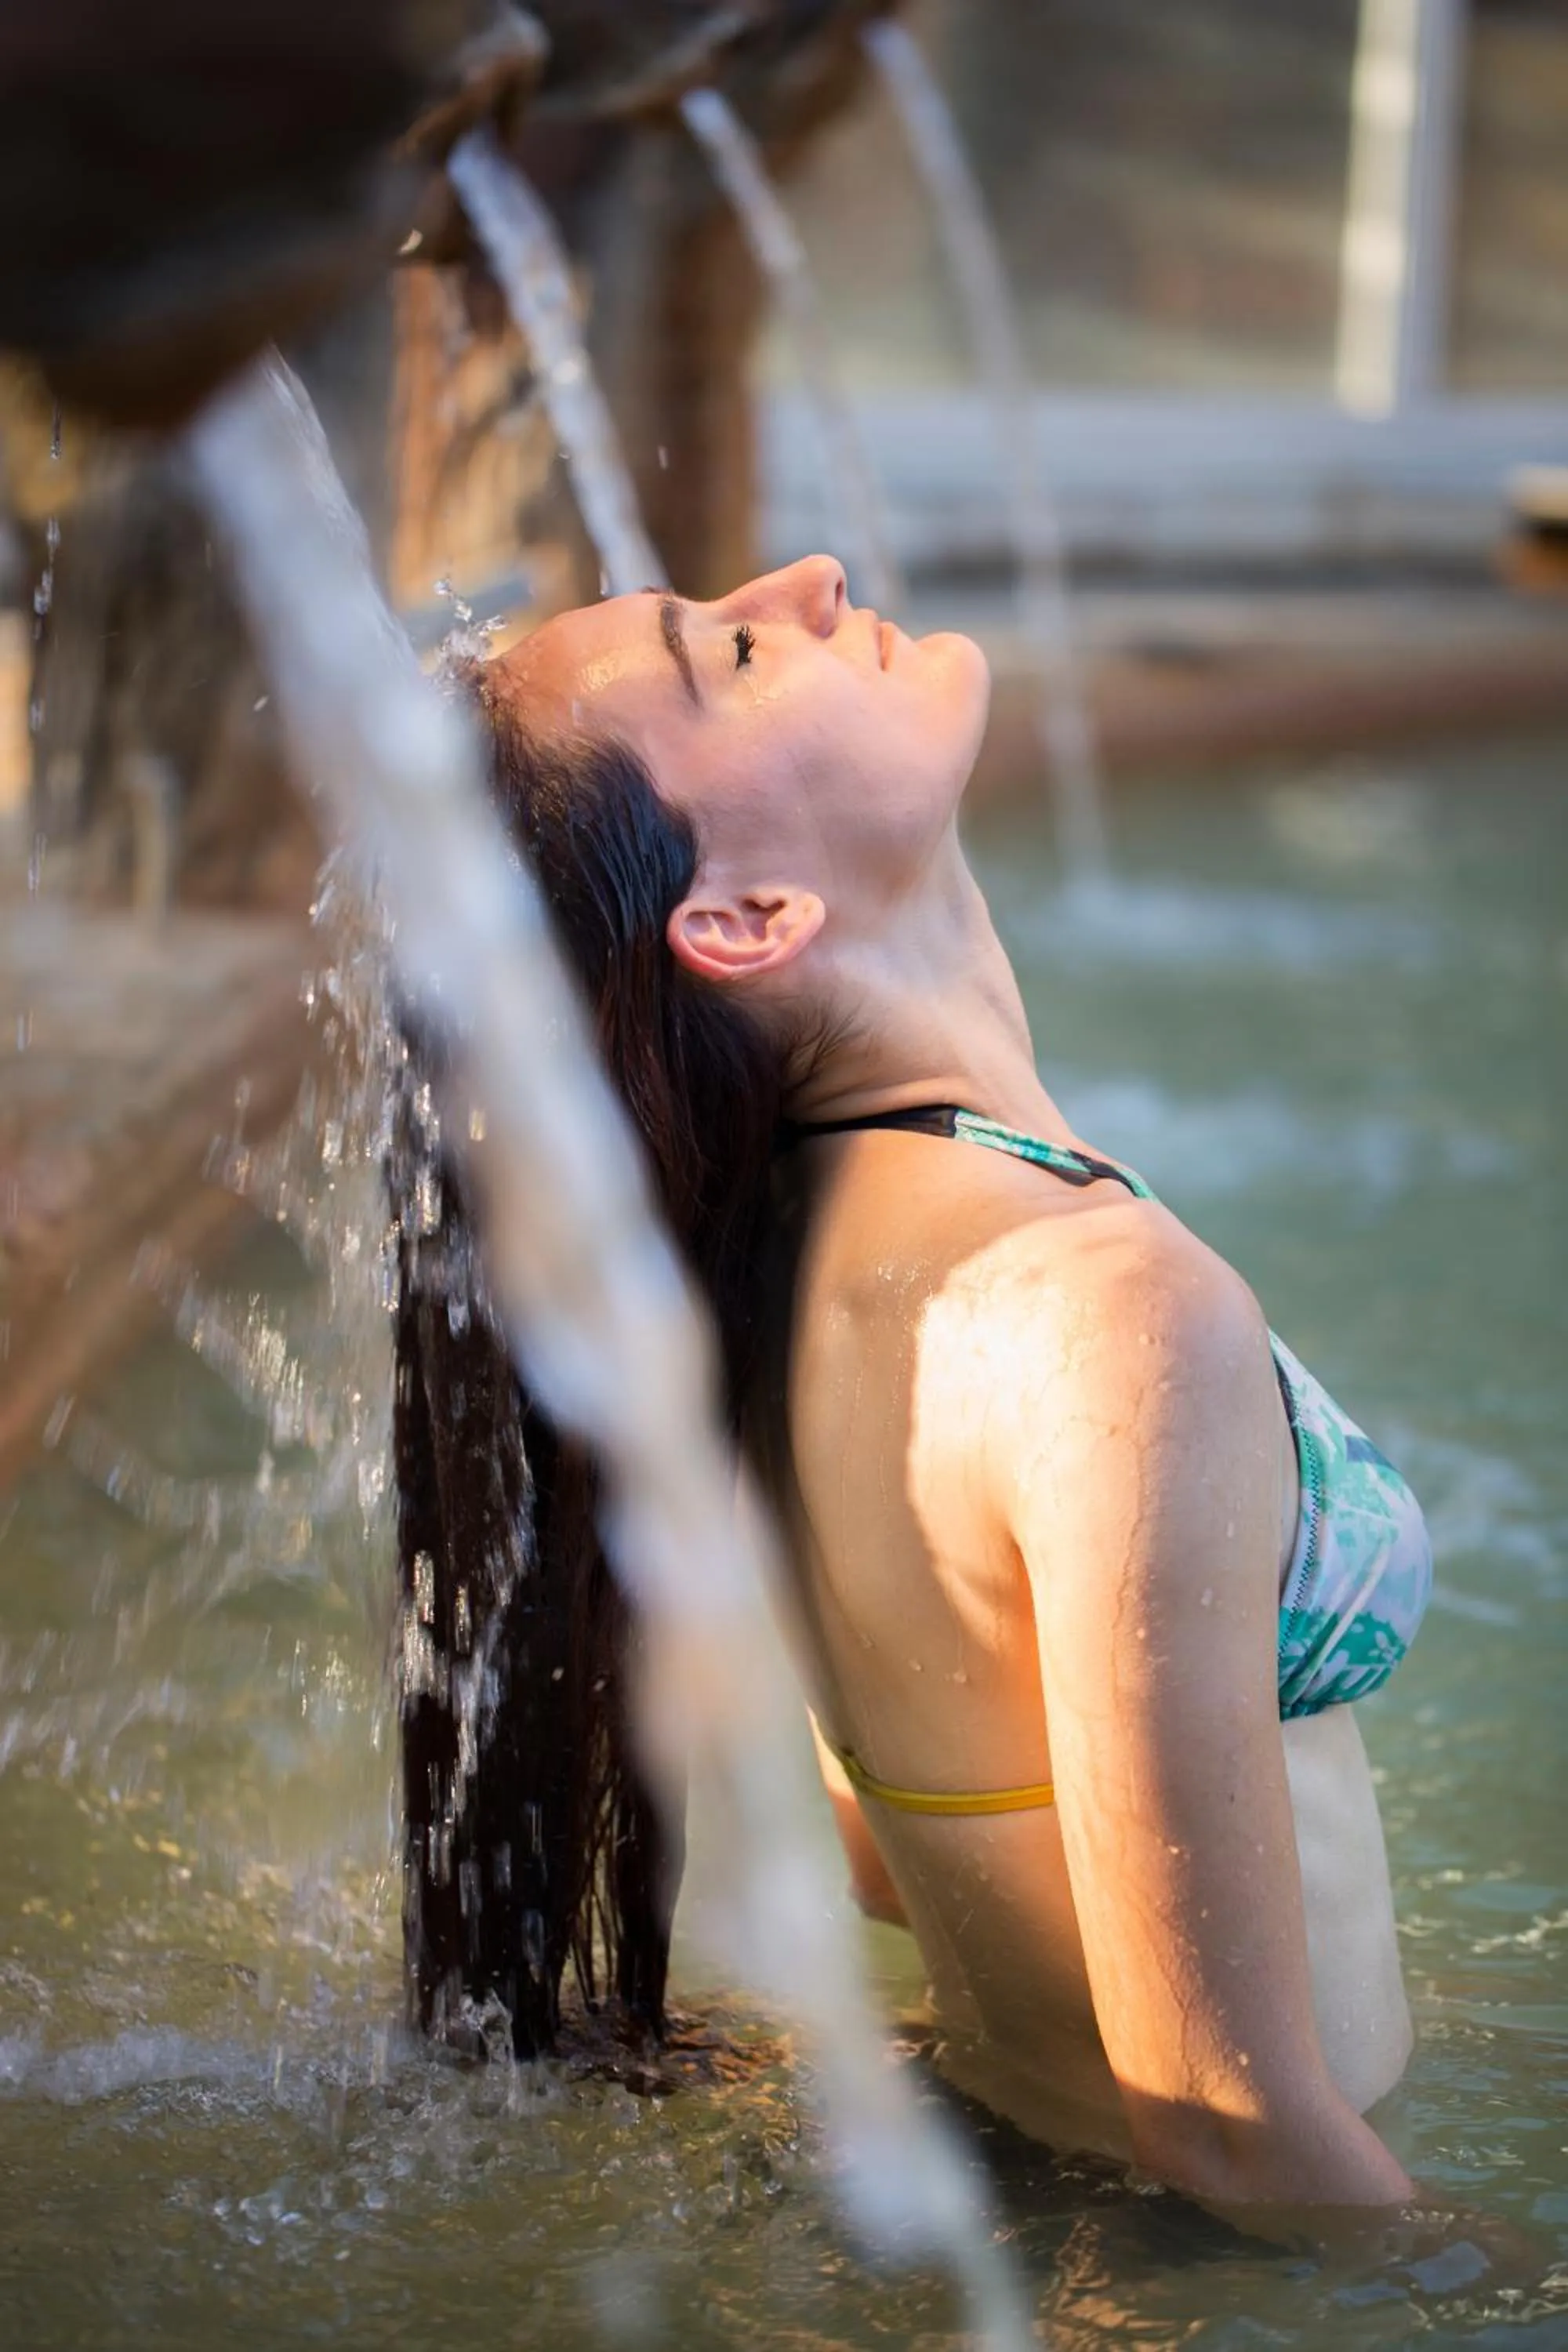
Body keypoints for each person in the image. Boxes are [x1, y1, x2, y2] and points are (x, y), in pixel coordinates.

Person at [397, 553, 1432, 2222]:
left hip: (1019, 2191)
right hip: (1195, 2281)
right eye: (734, 653)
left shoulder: (782, 1265)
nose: (810, 580)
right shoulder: (1106, 1314)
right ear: (747, 917)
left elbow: (895, 1861)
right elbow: (1228, 2133)